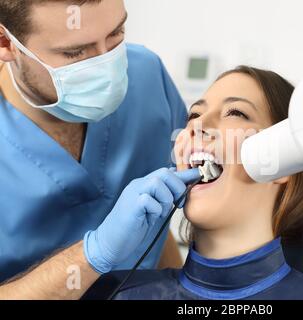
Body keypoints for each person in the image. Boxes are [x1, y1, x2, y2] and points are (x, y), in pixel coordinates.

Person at [0, 0, 189, 299]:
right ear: (6, 43)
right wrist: (93, 254)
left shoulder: (146, 74)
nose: (108, 67)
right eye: (75, 52)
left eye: (116, 34)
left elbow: (153, 218)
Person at [111, 66, 303, 300]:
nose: (197, 124)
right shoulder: (113, 292)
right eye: (193, 115)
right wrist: (93, 257)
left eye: (235, 113)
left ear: (279, 161)